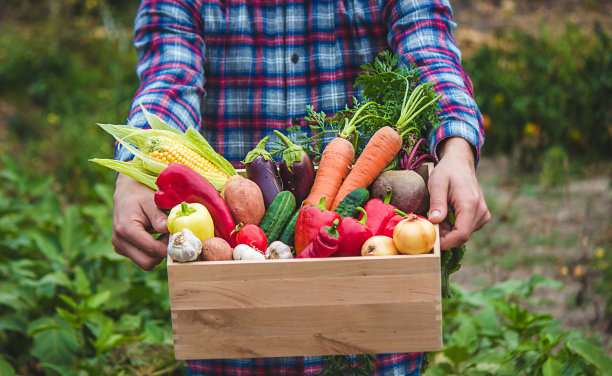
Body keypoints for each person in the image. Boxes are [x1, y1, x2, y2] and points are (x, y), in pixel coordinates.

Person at [112, 0, 491, 374]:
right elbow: (170, 78)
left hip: (369, 332)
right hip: (235, 326)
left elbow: (430, 53)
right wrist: (136, 167)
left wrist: (456, 148)